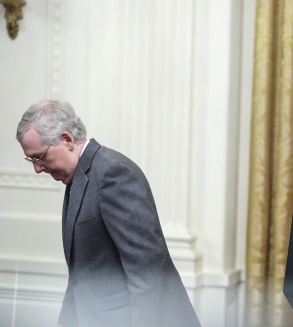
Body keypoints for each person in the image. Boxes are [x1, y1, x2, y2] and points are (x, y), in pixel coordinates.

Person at [16, 100, 201, 327]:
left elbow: (148, 272)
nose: (37, 168)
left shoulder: (113, 173)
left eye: (40, 157)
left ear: (66, 140)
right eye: (31, 159)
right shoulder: (81, 176)